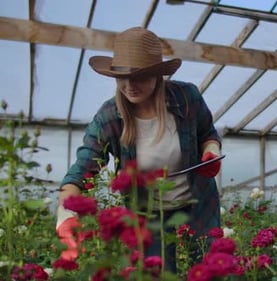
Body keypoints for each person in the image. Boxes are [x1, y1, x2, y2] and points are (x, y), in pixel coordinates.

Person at [55, 27, 222, 273]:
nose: (130, 85)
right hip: (147, 214)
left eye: (140, 76)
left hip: (198, 203)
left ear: (157, 75)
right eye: (122, 76)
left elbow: (208, 134)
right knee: (157, 273)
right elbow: (81, 171)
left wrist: (211, 153)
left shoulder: (186, 98)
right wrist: (66, 216)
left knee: (211, 269)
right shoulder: (110, 116)